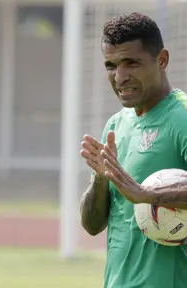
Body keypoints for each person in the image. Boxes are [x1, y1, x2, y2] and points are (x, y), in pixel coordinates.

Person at [80, 12, 187, 288]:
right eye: (111, 65)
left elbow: (142, 195)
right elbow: (92, 225)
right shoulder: (116, 126)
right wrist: (101, 180)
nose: (120, 76)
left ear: (162, 60)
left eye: (131, 63)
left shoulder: (183, 117)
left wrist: (147, 195)